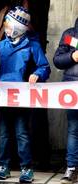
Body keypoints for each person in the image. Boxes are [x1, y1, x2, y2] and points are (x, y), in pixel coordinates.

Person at [0, 6, 51, 183]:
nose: (6, 27)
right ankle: (4, 165)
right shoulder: (0, 46)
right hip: (3, 96)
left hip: (21, 97)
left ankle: (26, 168)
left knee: (22, 132)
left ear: (18, 27)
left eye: (8, 24)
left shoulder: (33, 45)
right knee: (4, 133)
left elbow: (44, 67)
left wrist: (37, 74)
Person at [53, 17, 78, 184]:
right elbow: (57, 60)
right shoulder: (70, 35)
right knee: (74, 130)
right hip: (73, 90)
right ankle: (72, 168)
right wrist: (73, 56)